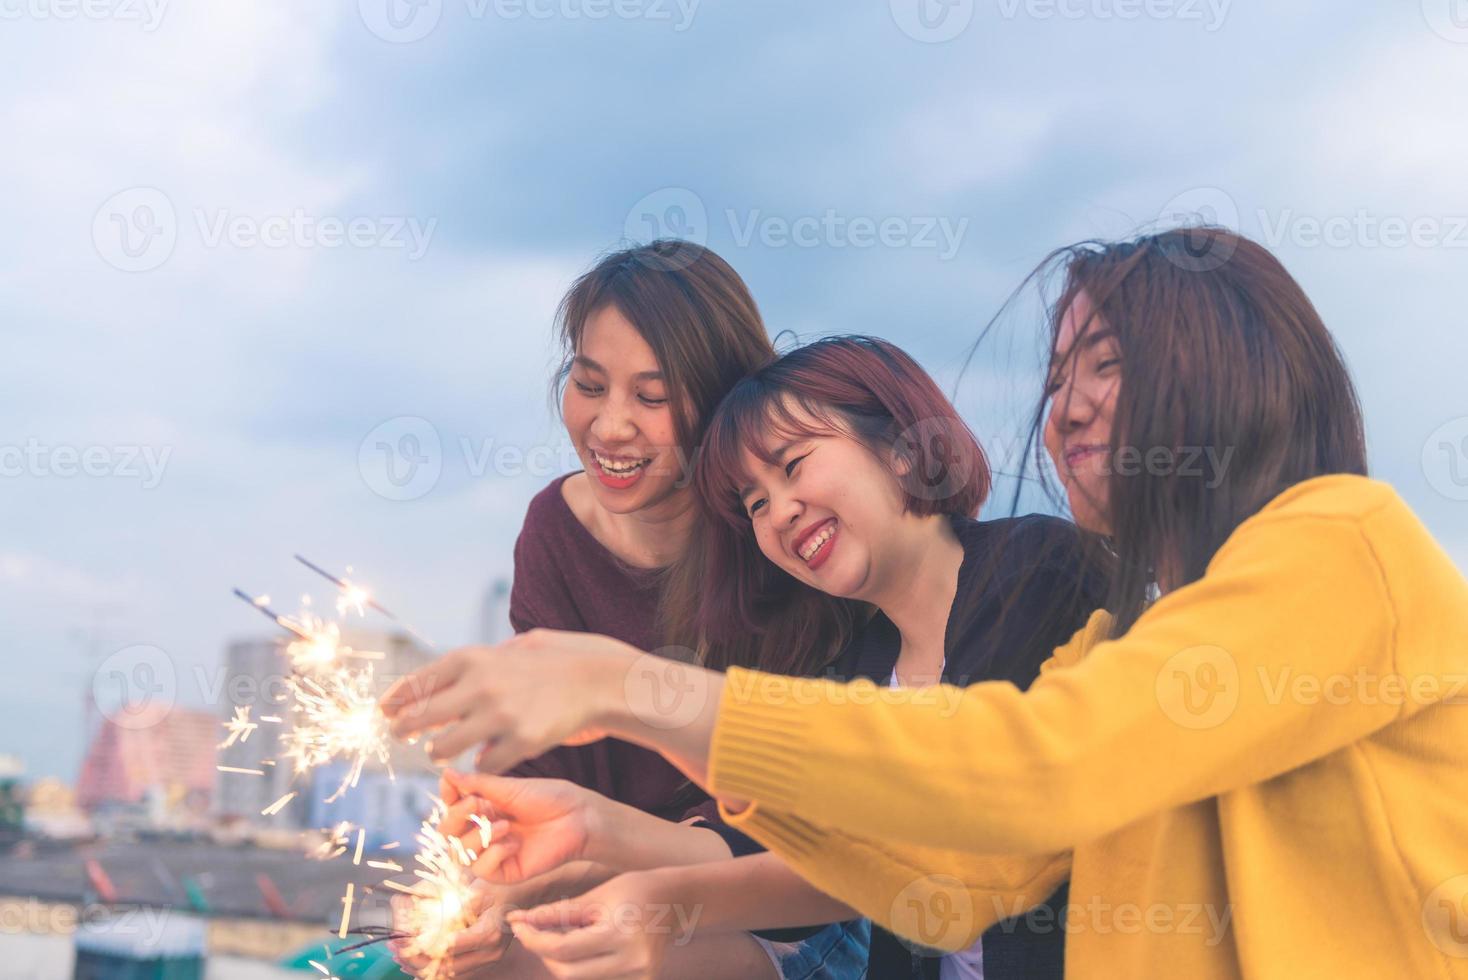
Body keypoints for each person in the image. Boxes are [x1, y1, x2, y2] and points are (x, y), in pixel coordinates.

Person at [383, 227, 1468, 979]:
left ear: (1225, 365)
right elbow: (945, 867)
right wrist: (617, 856)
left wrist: (623, 684)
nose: (1066, 406)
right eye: (1052, 380)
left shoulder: (1340, 541)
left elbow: (1033, 766)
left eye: (1103, 363)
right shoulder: (1117, 635)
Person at [409, 336, 1107, 978]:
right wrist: (587, 830)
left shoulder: (1038, 568)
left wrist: (620, 692)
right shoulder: (860, 667)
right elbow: (823, 871)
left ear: (899, 442)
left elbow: (962, 827)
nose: (779, 513)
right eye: (754, 503)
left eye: (794, 465)